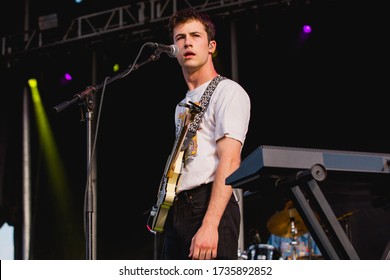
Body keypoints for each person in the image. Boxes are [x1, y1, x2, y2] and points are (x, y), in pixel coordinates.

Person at [160, 8, 251, 260]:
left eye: (195, 35)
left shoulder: (227, 91)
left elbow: (230, 161)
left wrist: (210, 224)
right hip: (176, 209)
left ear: (211, 46)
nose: (187, 42)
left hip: (207, 204)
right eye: (180, 38)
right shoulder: (181, 105)